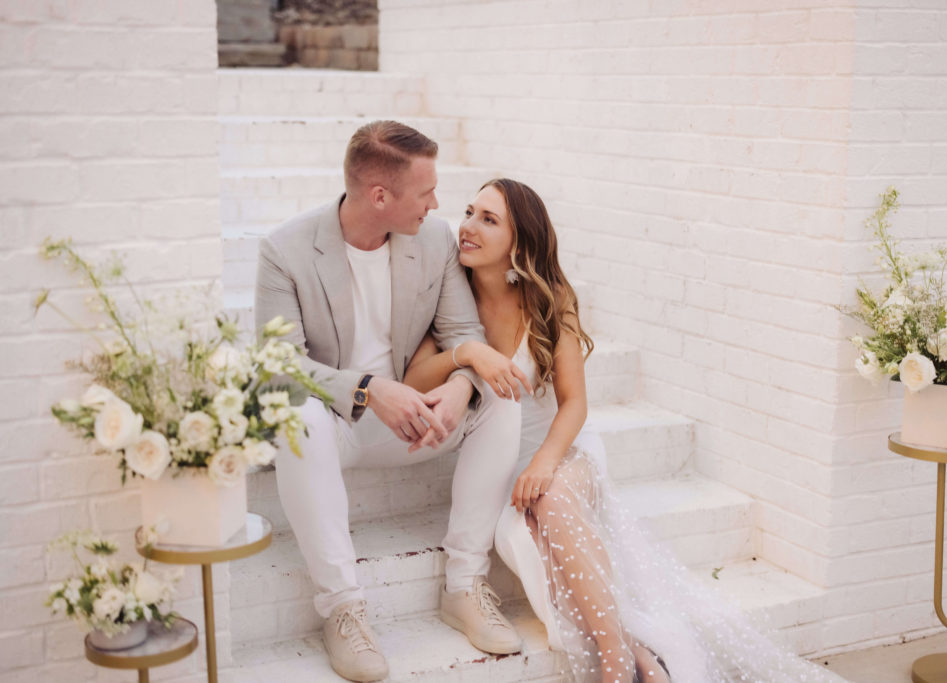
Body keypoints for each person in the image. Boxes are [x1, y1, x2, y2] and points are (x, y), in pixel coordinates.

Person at [403, 179, 848, 683]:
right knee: (522, 532)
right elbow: (413, 380)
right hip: (492, 459)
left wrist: (546, 461)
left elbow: (574, 404)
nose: (467, 227)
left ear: (520, 242)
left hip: (560, 446)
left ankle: (614, 660)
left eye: (488, 219)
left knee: (549, 502)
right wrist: (464, 353)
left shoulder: (551, 299)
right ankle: (635, 653)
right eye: (468, 212)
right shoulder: (447, 297)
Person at [254, 122, 530, 682]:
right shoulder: (284, 250)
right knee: (296, 416)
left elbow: (462, 332)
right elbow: (278, 366)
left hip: (419, 420)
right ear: (380, 196)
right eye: (425, 191)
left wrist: (457, 388)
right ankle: (343, 610)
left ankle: (464, 585)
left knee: (501, 400)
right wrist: (367, 388)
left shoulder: (433, 241)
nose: (436, 204)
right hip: (339, 424)